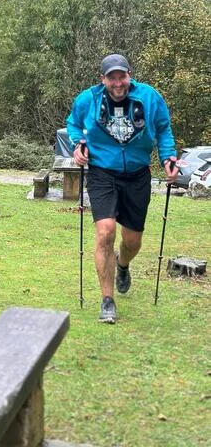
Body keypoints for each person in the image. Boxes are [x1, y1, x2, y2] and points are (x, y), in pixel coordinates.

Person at [66, 53, 178, 324]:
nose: (118, 83)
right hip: (102, 172)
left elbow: (163, 129)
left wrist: (168, 158)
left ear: (129, 75)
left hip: (137, 175)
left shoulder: (149, 97)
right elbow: (73, 124)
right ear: (102, 79)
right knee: (105, 232)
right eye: (112, 78)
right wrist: (78, 144)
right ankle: (107, 300)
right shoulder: (88, 99)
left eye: (122, 76)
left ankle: (123, 264)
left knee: (132, 241)